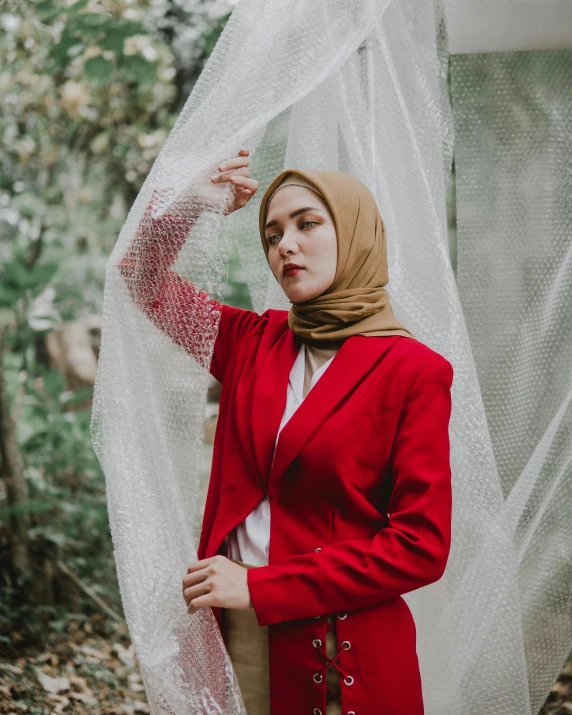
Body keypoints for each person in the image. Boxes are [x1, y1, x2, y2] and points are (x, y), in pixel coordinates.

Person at [117, 147, 454, 715]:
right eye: (272, 234)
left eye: (307, 224)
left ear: (355, 232)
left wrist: (259, 586)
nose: (285, 245)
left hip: (344, 648)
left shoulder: (414, 371)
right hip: (239, 632)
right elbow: (142, 279)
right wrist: (187, 203)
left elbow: (421, 548)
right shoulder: (251, 342)